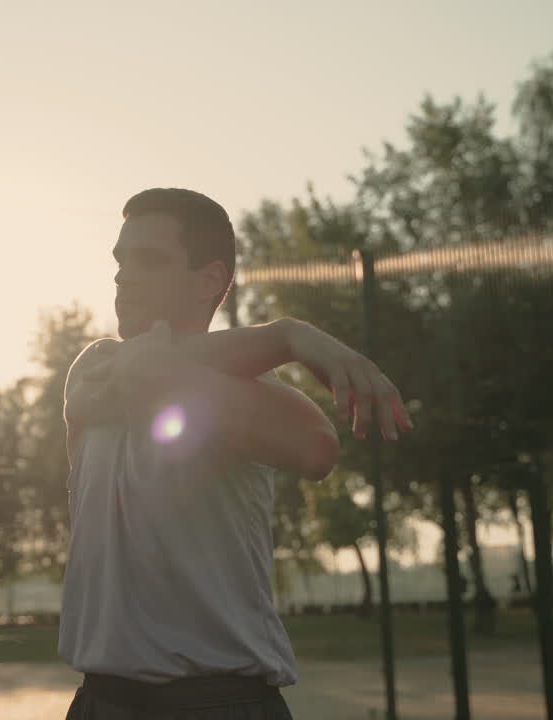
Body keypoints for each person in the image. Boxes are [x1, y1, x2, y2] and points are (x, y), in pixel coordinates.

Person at [59, 188, 414, 719]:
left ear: (208, 281)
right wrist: (289, 334)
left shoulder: (258, 393)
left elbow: (318, 449)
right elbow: (136, 371)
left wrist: (286, 340)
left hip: (220, 702)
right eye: (120, 258)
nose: (123, 274)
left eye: (148, 259)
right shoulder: (94, 370)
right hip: (100, 704)